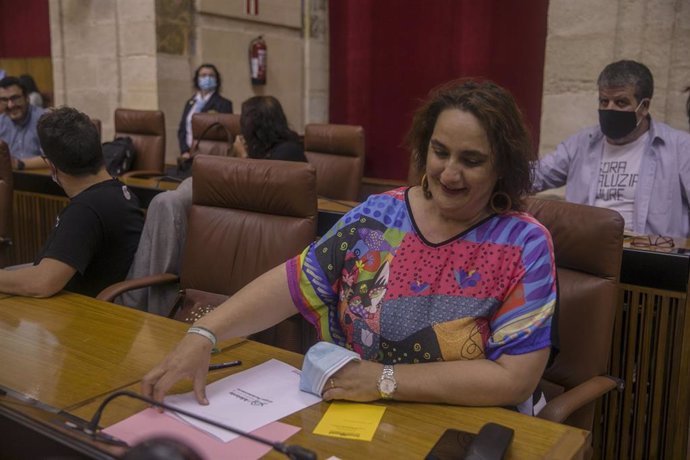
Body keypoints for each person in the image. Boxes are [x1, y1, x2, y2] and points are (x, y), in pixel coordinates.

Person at [141, 80, 557, 415]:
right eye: (440, 151)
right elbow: (292, 283)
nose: (449, 173)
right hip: (355, 413)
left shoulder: (524, 244)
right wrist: (204, 333)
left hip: (459, 424)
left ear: (502, 166)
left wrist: (383, 380)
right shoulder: (377, 217)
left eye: (471, 160)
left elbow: (513, 378)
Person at [121, 95, 306, 314]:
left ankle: (136, 301)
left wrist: (243, 156)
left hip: (265, 235)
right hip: (239, 223)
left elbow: (254, 191)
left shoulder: (288, 150)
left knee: (172, 202)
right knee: (169, 203)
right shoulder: (263, 147)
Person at [533, 60, 690, 238]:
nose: (610, 109)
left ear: (644, 106)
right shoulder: (582, 143)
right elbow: (536, 175)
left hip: (650, 257)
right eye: (604, 101)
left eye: (621, 102)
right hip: (588, 250)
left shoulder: (680, 148)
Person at [0, 107, 144, 298]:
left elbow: (42, 283)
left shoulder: (86, 210)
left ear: (50, 165)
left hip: (84, 315)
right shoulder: (121, 194)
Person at [177, 64, 233, 164]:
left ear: (216, 79)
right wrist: (184, 151)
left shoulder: (224, 104)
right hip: (188, 154)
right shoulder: (190, 102)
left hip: (210, 155)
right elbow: (182, 129)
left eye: (211, 75)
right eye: (203, 75)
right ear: (197, 79)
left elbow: (225, 133)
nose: (207, 78)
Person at [0, 76, 46, 170]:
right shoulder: (1, 122)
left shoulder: (44, 120)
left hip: (41, 178)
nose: (10, 105)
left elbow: (54, 159)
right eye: (4, 100)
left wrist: (19, 164)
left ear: (27, 98)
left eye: (15, 98)